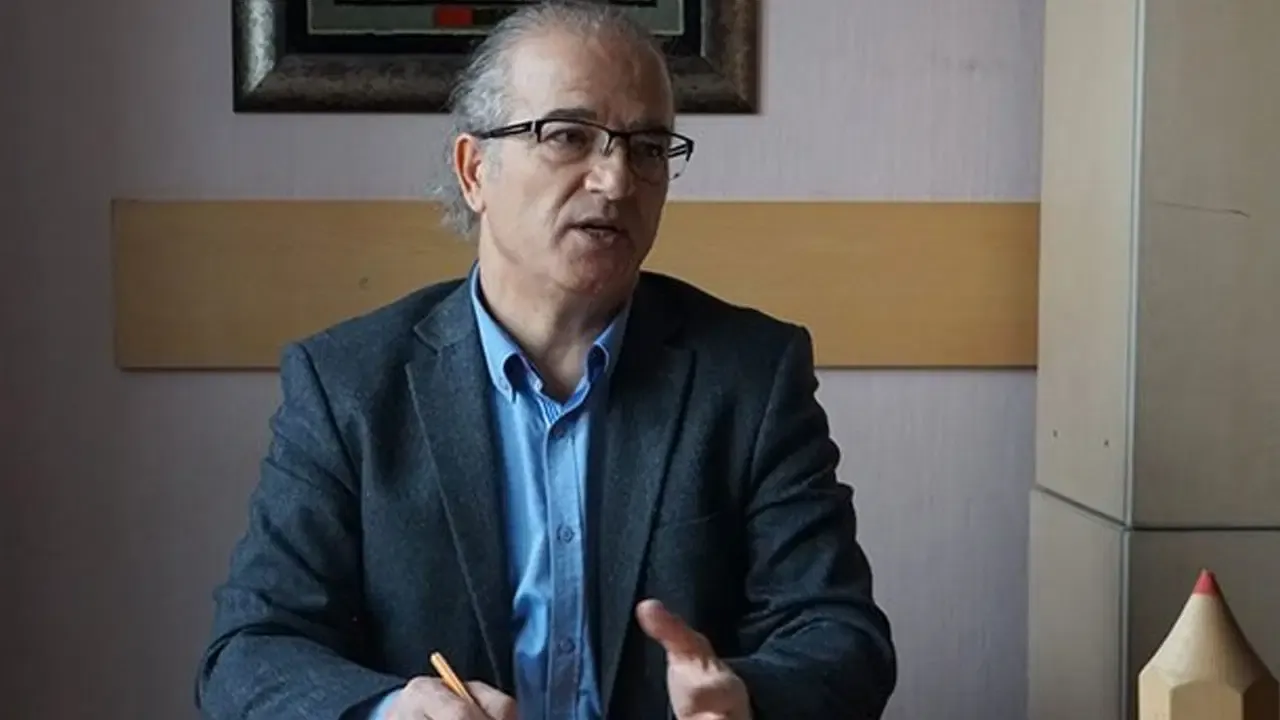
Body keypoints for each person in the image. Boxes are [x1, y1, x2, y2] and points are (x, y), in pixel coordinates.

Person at [193, 1, 897, 718]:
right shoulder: (349, 384)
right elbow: (250, 653)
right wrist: (391, 710)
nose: (616, 182)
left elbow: (841, 637)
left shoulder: (749, 375)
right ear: (475, 170)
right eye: (567, 136)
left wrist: (745, 696)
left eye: (648, 148)